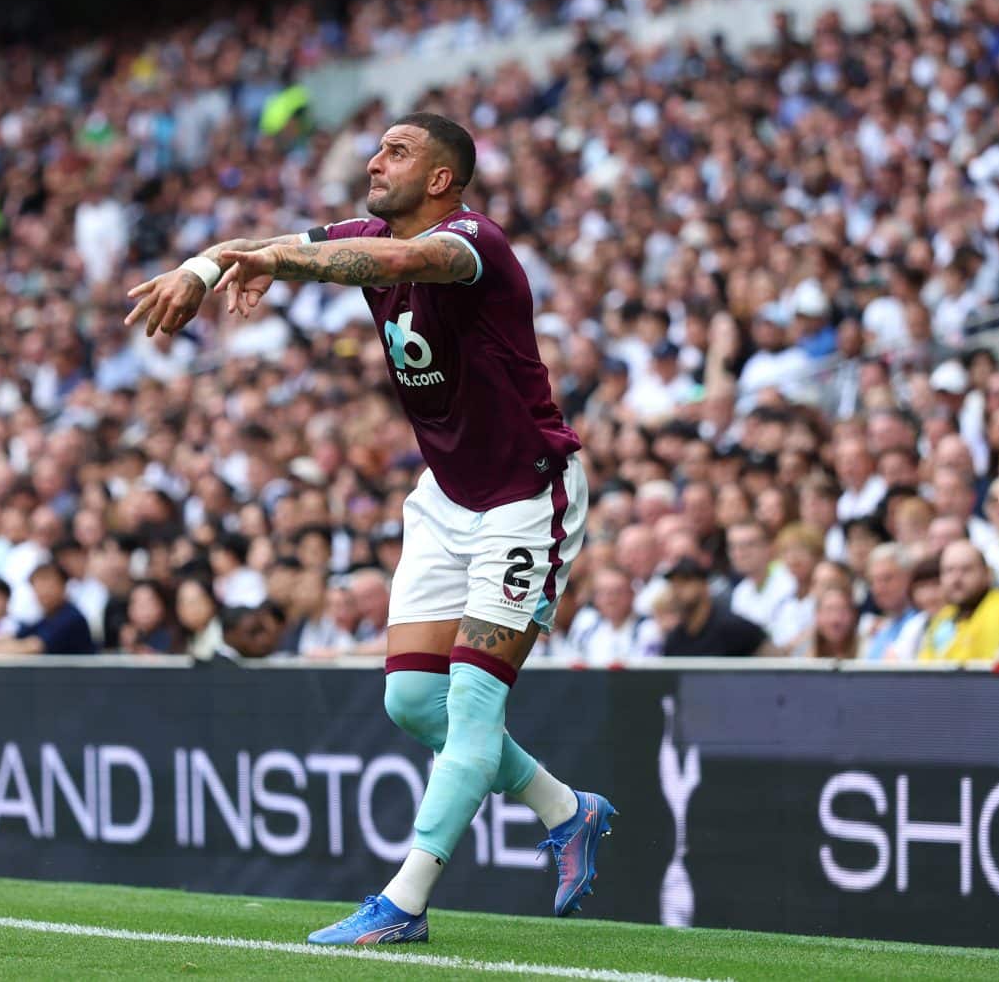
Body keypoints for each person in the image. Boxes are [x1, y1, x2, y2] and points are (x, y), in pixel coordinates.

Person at [129, 112, 612, 943]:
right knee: (411, 699)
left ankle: (404, 902)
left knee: (469, 708)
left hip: (527, 494)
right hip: (449, 496)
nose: (373, 159)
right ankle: (568, 810)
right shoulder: (366, 231)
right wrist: (205, 267)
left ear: (439, 177)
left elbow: (392, 260)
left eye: (396, 150)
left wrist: (279, 260)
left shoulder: (471, 244)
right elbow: (277, 238)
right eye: (377, 145)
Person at [917, 541, 999, 662]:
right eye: (949, 570)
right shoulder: (944, 615)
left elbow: (984, 676)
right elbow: (925, 668)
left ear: (987, 574)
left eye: (966, 569)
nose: (956, 579)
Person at [656, 559, 767, 657]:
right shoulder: (675, 639)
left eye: (685, 582)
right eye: (673, 584)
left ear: (704, 586)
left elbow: (770, 656)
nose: (677, 590)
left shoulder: (731, 627)